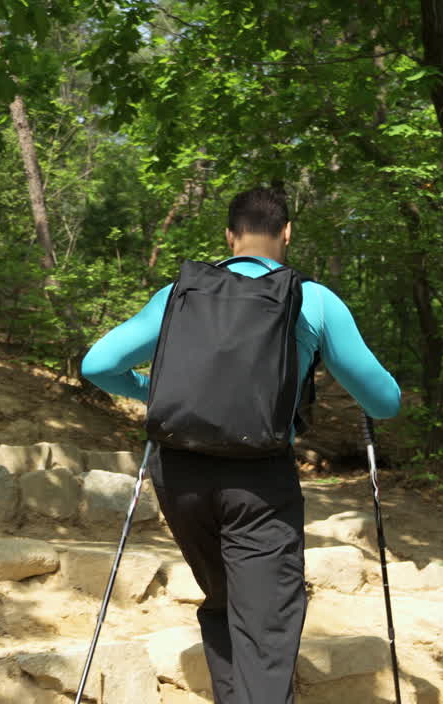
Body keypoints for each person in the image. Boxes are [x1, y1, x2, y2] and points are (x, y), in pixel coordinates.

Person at [80, 186, 401, 704]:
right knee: (266, 629)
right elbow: (384, 402)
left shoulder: (179, 294)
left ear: (229, 236)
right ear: (287, 233)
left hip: (179, 476)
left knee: (225, 602)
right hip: (259, 482)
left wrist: (150, 394)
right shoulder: (312, 300)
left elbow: (97, 365)